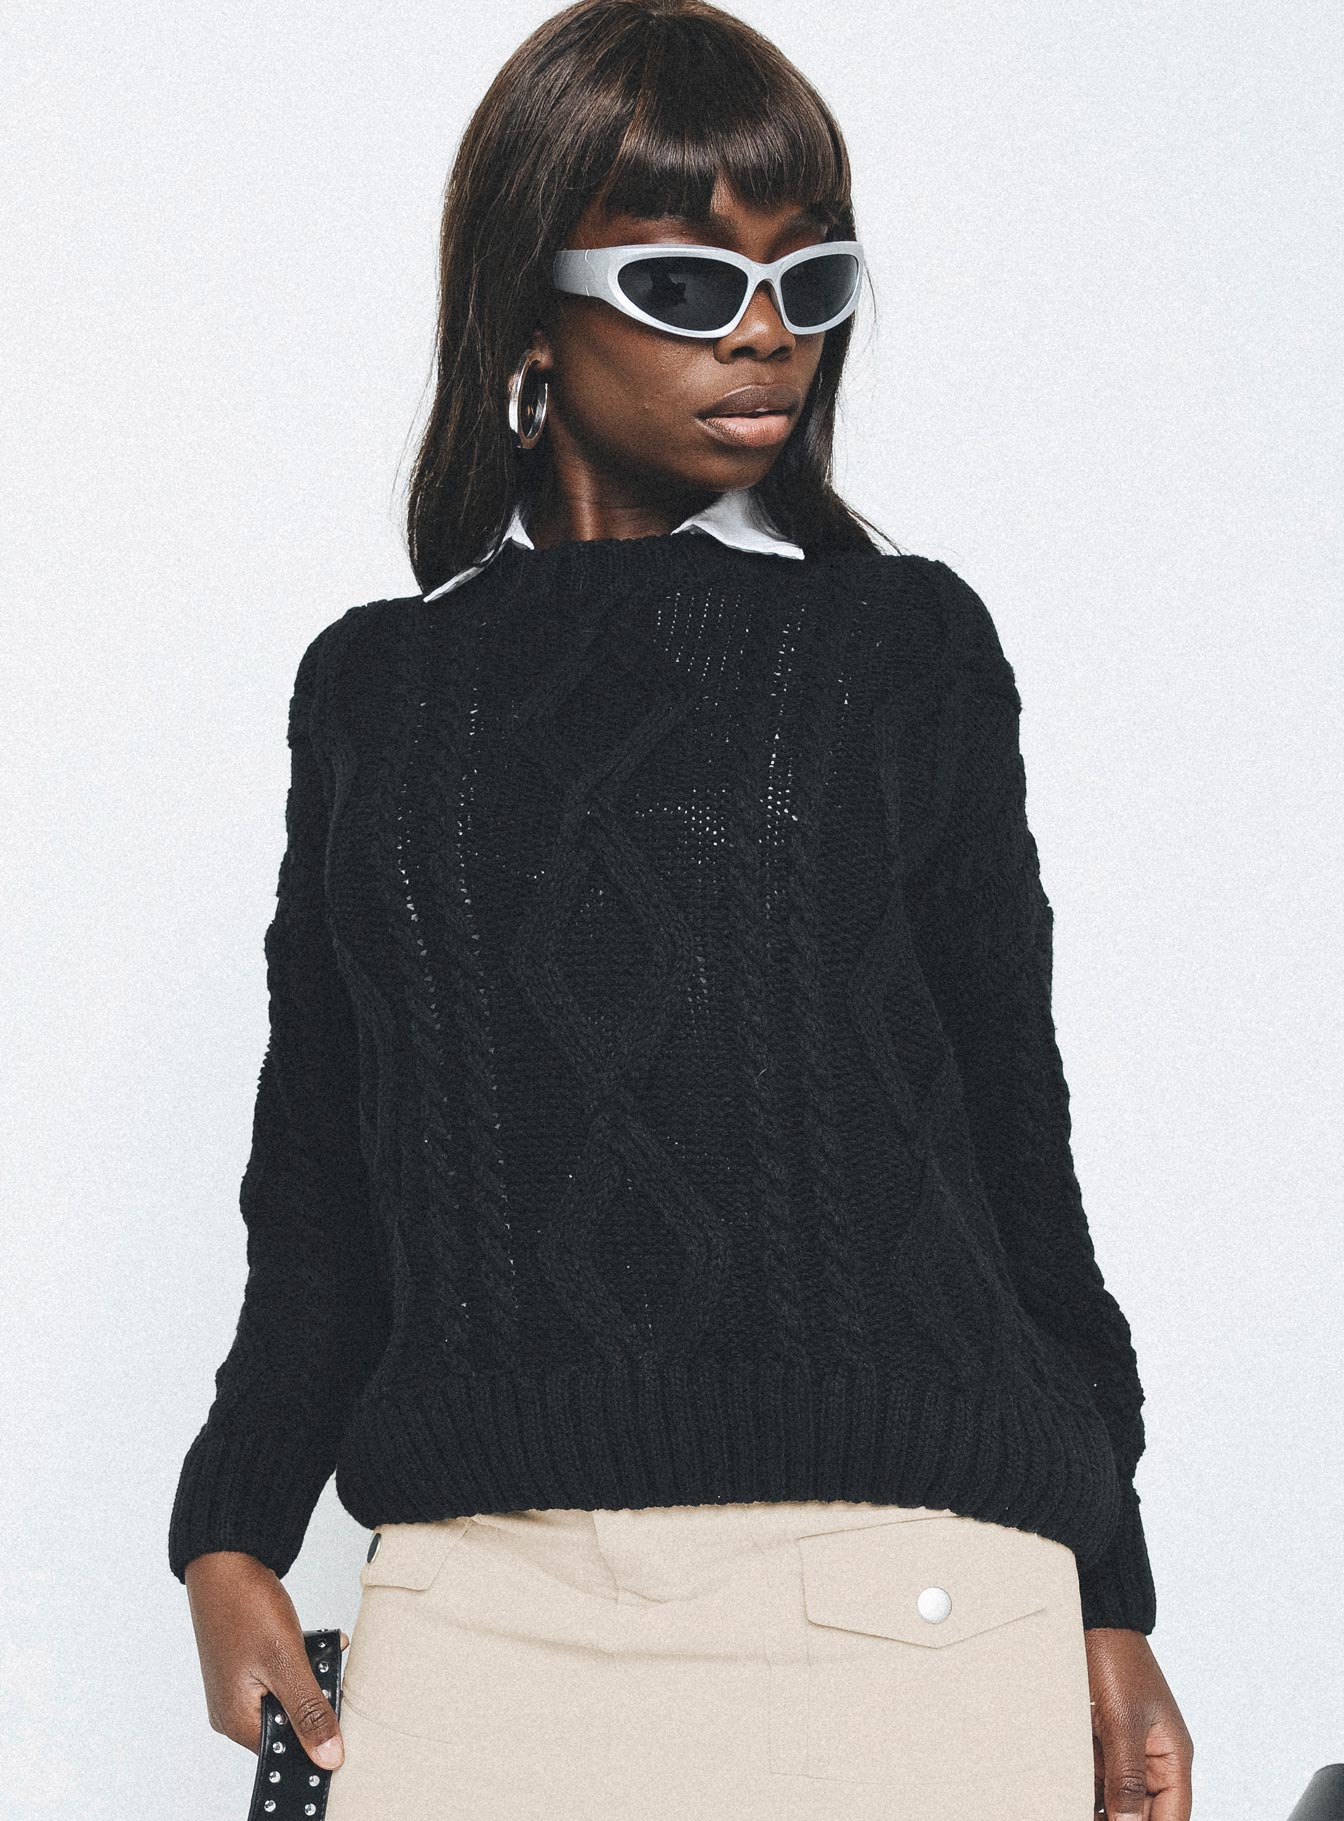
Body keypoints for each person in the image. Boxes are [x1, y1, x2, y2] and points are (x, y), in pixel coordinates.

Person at [169, 1, 1194, 1816]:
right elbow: (322, 1172)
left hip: (902, 1599)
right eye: (686, 282)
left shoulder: (902, 650)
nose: (766, 335)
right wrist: (230, 1527)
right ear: (527, 314)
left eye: (810, 280)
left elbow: (1018, 1163)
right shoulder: (376, 696)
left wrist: (1115, 1599)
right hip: (483, 1624)